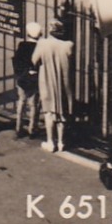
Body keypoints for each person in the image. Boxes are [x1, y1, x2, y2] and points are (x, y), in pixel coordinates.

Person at [33, 18, 75, 153]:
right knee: (62, 112)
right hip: (63, 82)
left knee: (49, 112)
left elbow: (34, 60)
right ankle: (62, 142)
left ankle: (51, 141)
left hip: (47, 79)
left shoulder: (42, 43)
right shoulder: (68, 45)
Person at [12, 21, 43, 138]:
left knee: (21, 101)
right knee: (33, 104)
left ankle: (18, 126)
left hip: (23, 78)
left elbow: (16, 61)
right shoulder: (39, 47)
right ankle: (32, 128)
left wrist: (20, 74)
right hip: (35, 79)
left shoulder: (22, 45)